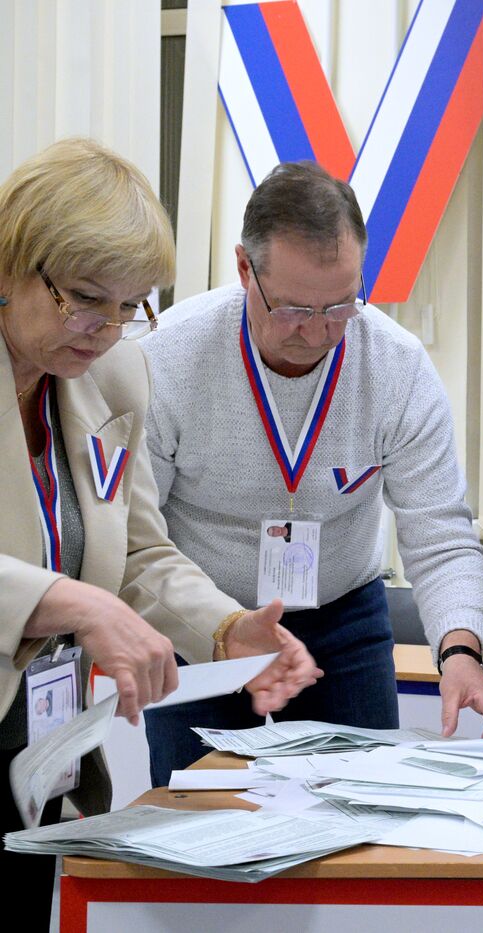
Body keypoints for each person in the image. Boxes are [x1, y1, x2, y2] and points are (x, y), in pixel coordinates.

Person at [0, 138, 320, 931]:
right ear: (12, 265)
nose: (108, 328)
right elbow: (76, 588)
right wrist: (65, 598)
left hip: (41, 752)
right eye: (85, 298)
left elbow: (139, 548)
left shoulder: (109, 376)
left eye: (130, 303)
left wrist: (226, 627)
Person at [141, 161, 483, 788]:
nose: (316, 332)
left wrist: (461, 652)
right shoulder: (169, 357)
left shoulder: (394, 366)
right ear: (243, 270)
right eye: (293, 309)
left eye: (340, 305)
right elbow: (138, 535)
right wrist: (217, 630)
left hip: (343, 623)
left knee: (359, 821)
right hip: (201, 624)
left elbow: (438, 532)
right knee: (194, 829)